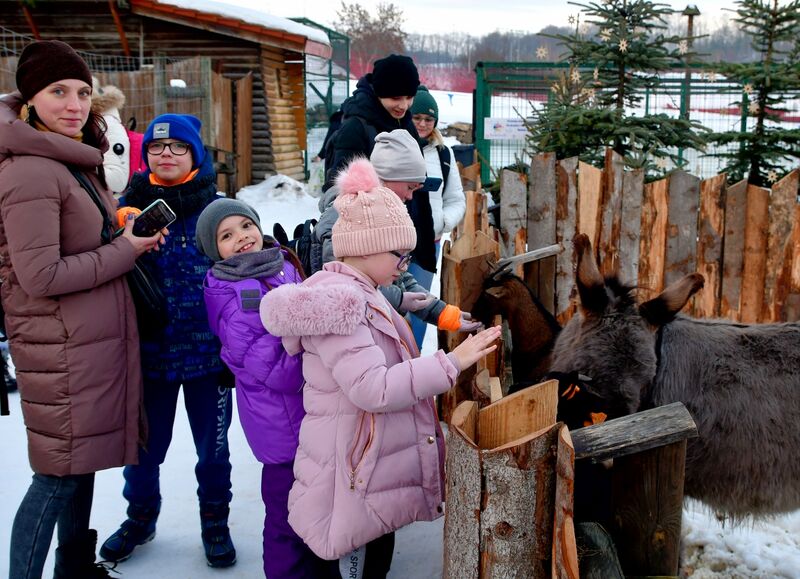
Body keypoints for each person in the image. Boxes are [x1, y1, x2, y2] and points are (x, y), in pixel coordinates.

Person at [261, 156, 502, 577]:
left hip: (363, 471)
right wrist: (453, 362)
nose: (404, 266)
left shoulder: (365, 292)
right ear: (366, 247)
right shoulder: (342, 304)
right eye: (400, 254)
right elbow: (374, 389)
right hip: (353, 477)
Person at [0, 40, 163, 579]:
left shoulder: (69, 157)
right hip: (61, 346)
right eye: (58, 91)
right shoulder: (30, 171)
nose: (74, 104)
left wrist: (122, 229)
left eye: (83, 93)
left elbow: (77, 238)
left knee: (81, 467)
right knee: (58, 475)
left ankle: (73, 568)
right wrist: (126, 250)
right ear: (29, 98)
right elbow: (40, 275)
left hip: (85, 341)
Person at [100, 114, 237, 568]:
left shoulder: (218, 210)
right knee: (143, 449)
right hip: (148, 354)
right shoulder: (125, 208)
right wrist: (121, 233)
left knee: (213, 450)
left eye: (179, 147)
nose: (166, 155)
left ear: (195, 154)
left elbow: (243, 271)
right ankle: (141, 516)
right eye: (157, 148)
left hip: (209, 356)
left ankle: (215, 520)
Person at [195, 199, 334, 578]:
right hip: (281, 429)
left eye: (245, 226)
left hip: (308, 417)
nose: (242, 237)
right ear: (214, 250)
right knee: (287, 518)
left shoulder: (280, 264)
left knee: (317, 509)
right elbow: (279, 370)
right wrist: (322, 349)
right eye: (227, 235)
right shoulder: (235, 297)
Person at [317, 130, 480, 338]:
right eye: (410, 187)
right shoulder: (345, 216)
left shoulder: (379, 210)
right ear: (389, 177)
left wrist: (443, 314)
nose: (410, 196)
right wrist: (400, 299)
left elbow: (400, 275)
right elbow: (343, 283)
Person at [408, 85, 466, 348]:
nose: (422, 124)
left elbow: (455, 199)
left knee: (419, 307)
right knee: (389, 303)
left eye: (428, 119)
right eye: (417, 117)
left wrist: (441, 222)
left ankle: (414, 357)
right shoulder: (394, 144)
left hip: (426, 245)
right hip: (393, 243)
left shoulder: (443, 154)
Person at [323, 54, 422, 191]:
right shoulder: (356, 127)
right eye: (395, 98)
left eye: (410, 97)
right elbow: (341, 190)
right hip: (373, 210)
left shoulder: (406, 123)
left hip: (406, 211)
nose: (404, 105)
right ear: (379, 93)